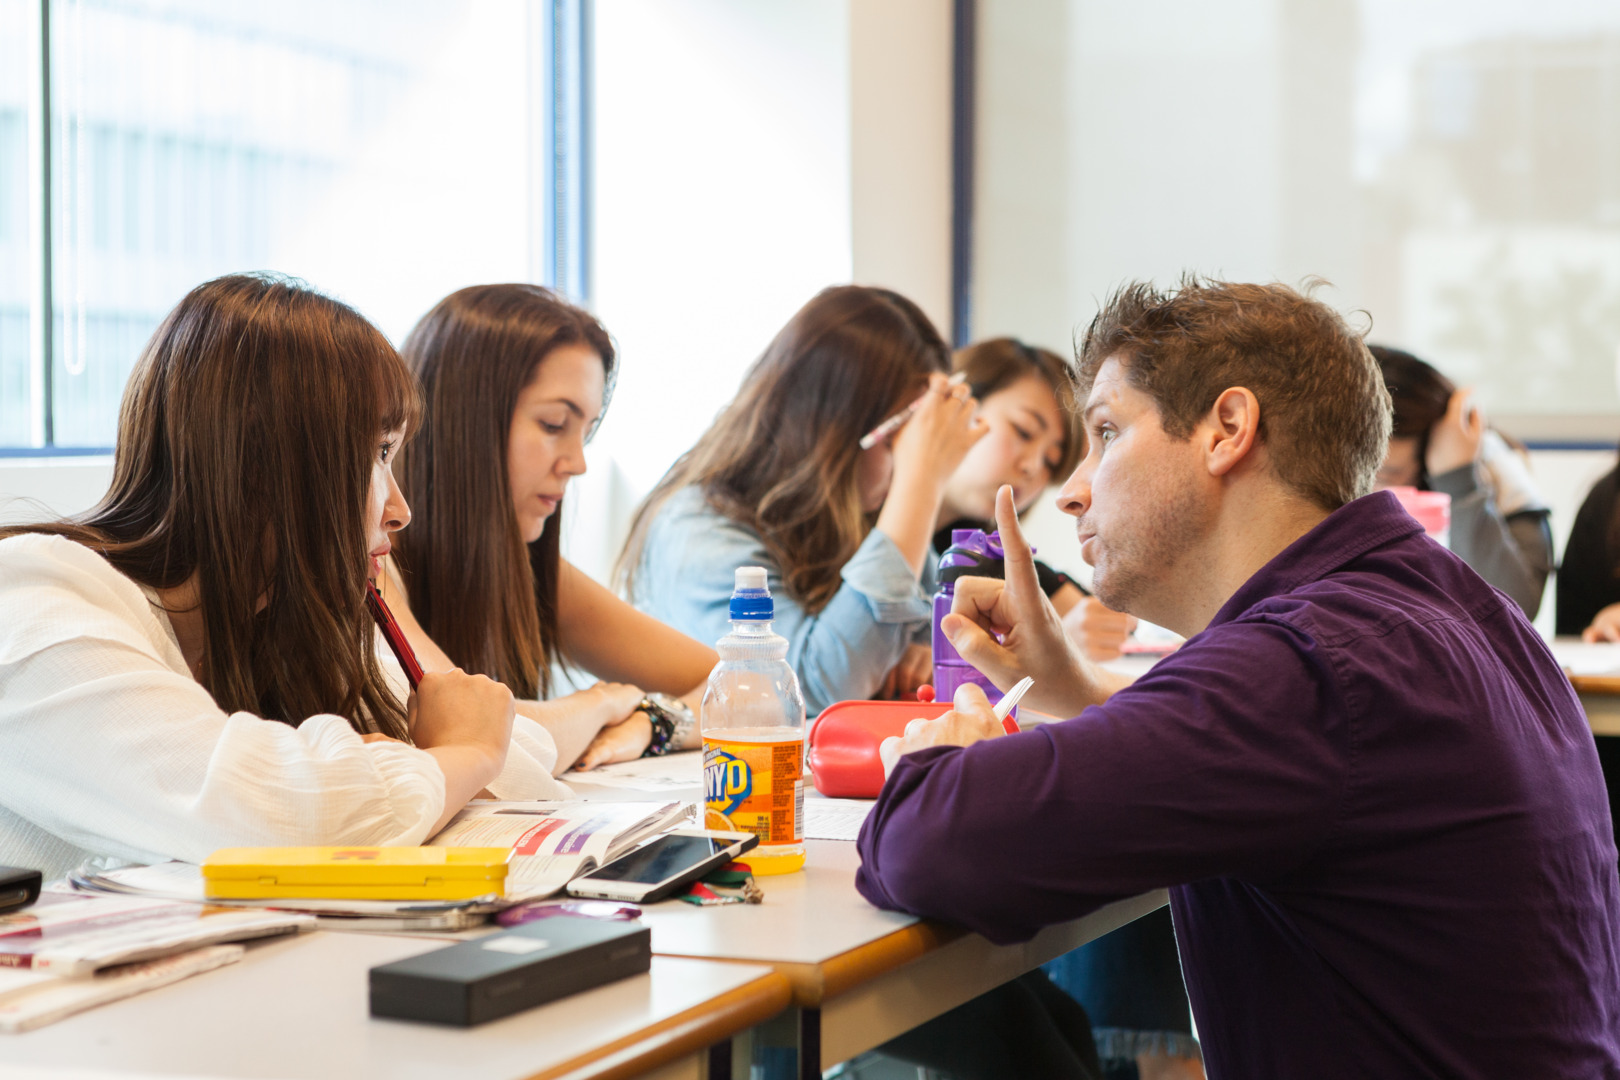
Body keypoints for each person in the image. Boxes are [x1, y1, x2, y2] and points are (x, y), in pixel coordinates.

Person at [857, 278, 1620, 1078]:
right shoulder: (1453, 611)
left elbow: (926, 844)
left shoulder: (1307, 664)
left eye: (1107, 432)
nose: (1075, 491)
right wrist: (1079, 690)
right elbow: (1288, 744)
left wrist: (937, 756)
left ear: (1227, 430)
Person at [0, 273, 535, 880]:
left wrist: (456, 753)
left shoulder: (259, 628)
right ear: (262, 465)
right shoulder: (34, 597)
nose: (400, 509)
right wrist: (465, 753)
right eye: (379, 454)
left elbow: (508, 747)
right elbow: (280, 819)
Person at [941, 338, 1193, 1079]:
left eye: (1056, 455)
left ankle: (1159, 1064)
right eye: (1023, 433)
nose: (1041, 473)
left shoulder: (1006, 557)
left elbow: (1081, 615)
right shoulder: (886, 542)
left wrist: (1079, 643)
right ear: (952, 408)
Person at [385, 284, 718, 773]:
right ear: (464, 423)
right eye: (554, 424)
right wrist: (601, 701)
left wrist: (654, 722)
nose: (578, 463)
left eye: (586, 431)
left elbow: (747, 684)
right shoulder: (371, 565)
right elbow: (485, 739)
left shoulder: (526, 569)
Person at [619, 285, 985, 715]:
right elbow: (802, 689)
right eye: (899, 445)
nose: (906, 465)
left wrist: (923, 650)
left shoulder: (861, 515)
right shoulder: (696, 528)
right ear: (830, 429)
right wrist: (920, 484)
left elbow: (932, 631)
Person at [936, 337, 1136, 664]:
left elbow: (1093, 615)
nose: (1032, 467)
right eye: (1024, 431)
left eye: (1050, 461)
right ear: (957, 402)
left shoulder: (987, 558)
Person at [1370, 345, 1552, 618]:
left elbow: (1515, 609)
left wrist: (1457, 480)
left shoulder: (1496, 472)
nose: (1364, 490)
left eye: (1385, 476)